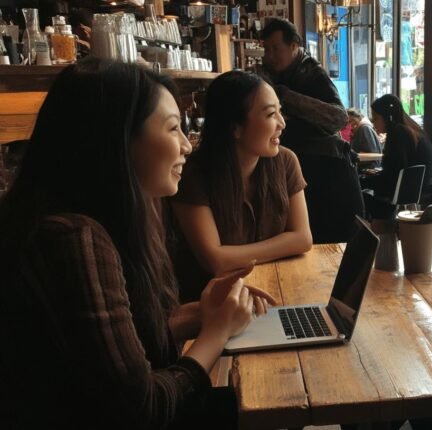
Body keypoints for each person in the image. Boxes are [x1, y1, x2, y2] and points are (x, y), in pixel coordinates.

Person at [0, 58, 277, 429]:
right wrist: (216, 332)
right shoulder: (73, 239)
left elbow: (112, 352)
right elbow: (142, 408)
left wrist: (198, 314)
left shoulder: (94, 222)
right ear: (117, 141)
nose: (186, 146)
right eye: (173, 128)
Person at [170, 71, 313, 303]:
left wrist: (234, 257)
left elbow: (303, 238)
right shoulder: (194, 174)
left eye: (280, 111)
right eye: (270, 114)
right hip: (211, 307)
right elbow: (213, 260)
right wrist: (284, 243)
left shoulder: (286, 162)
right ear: (235, 127)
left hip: (275, 293)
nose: (282, 123)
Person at [260, 18, 364, 244]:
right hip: (302, 172)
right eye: (266, 49)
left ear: (294, 45)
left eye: (275, 49)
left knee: (329, 245)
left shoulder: (312, 74)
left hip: (329, 174)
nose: (269, 55)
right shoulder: (272, 74)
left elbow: (339, 117)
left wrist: (286, 97)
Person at [361, 94, 432, 219]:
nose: (373, 123)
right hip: (418, 188)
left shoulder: (398, 133)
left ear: (388, 118)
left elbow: (392, 175)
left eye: (376, 118)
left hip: (402, 191)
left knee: (356, 191)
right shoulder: (412, 129)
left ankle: (378, 231)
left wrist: (362, 180)